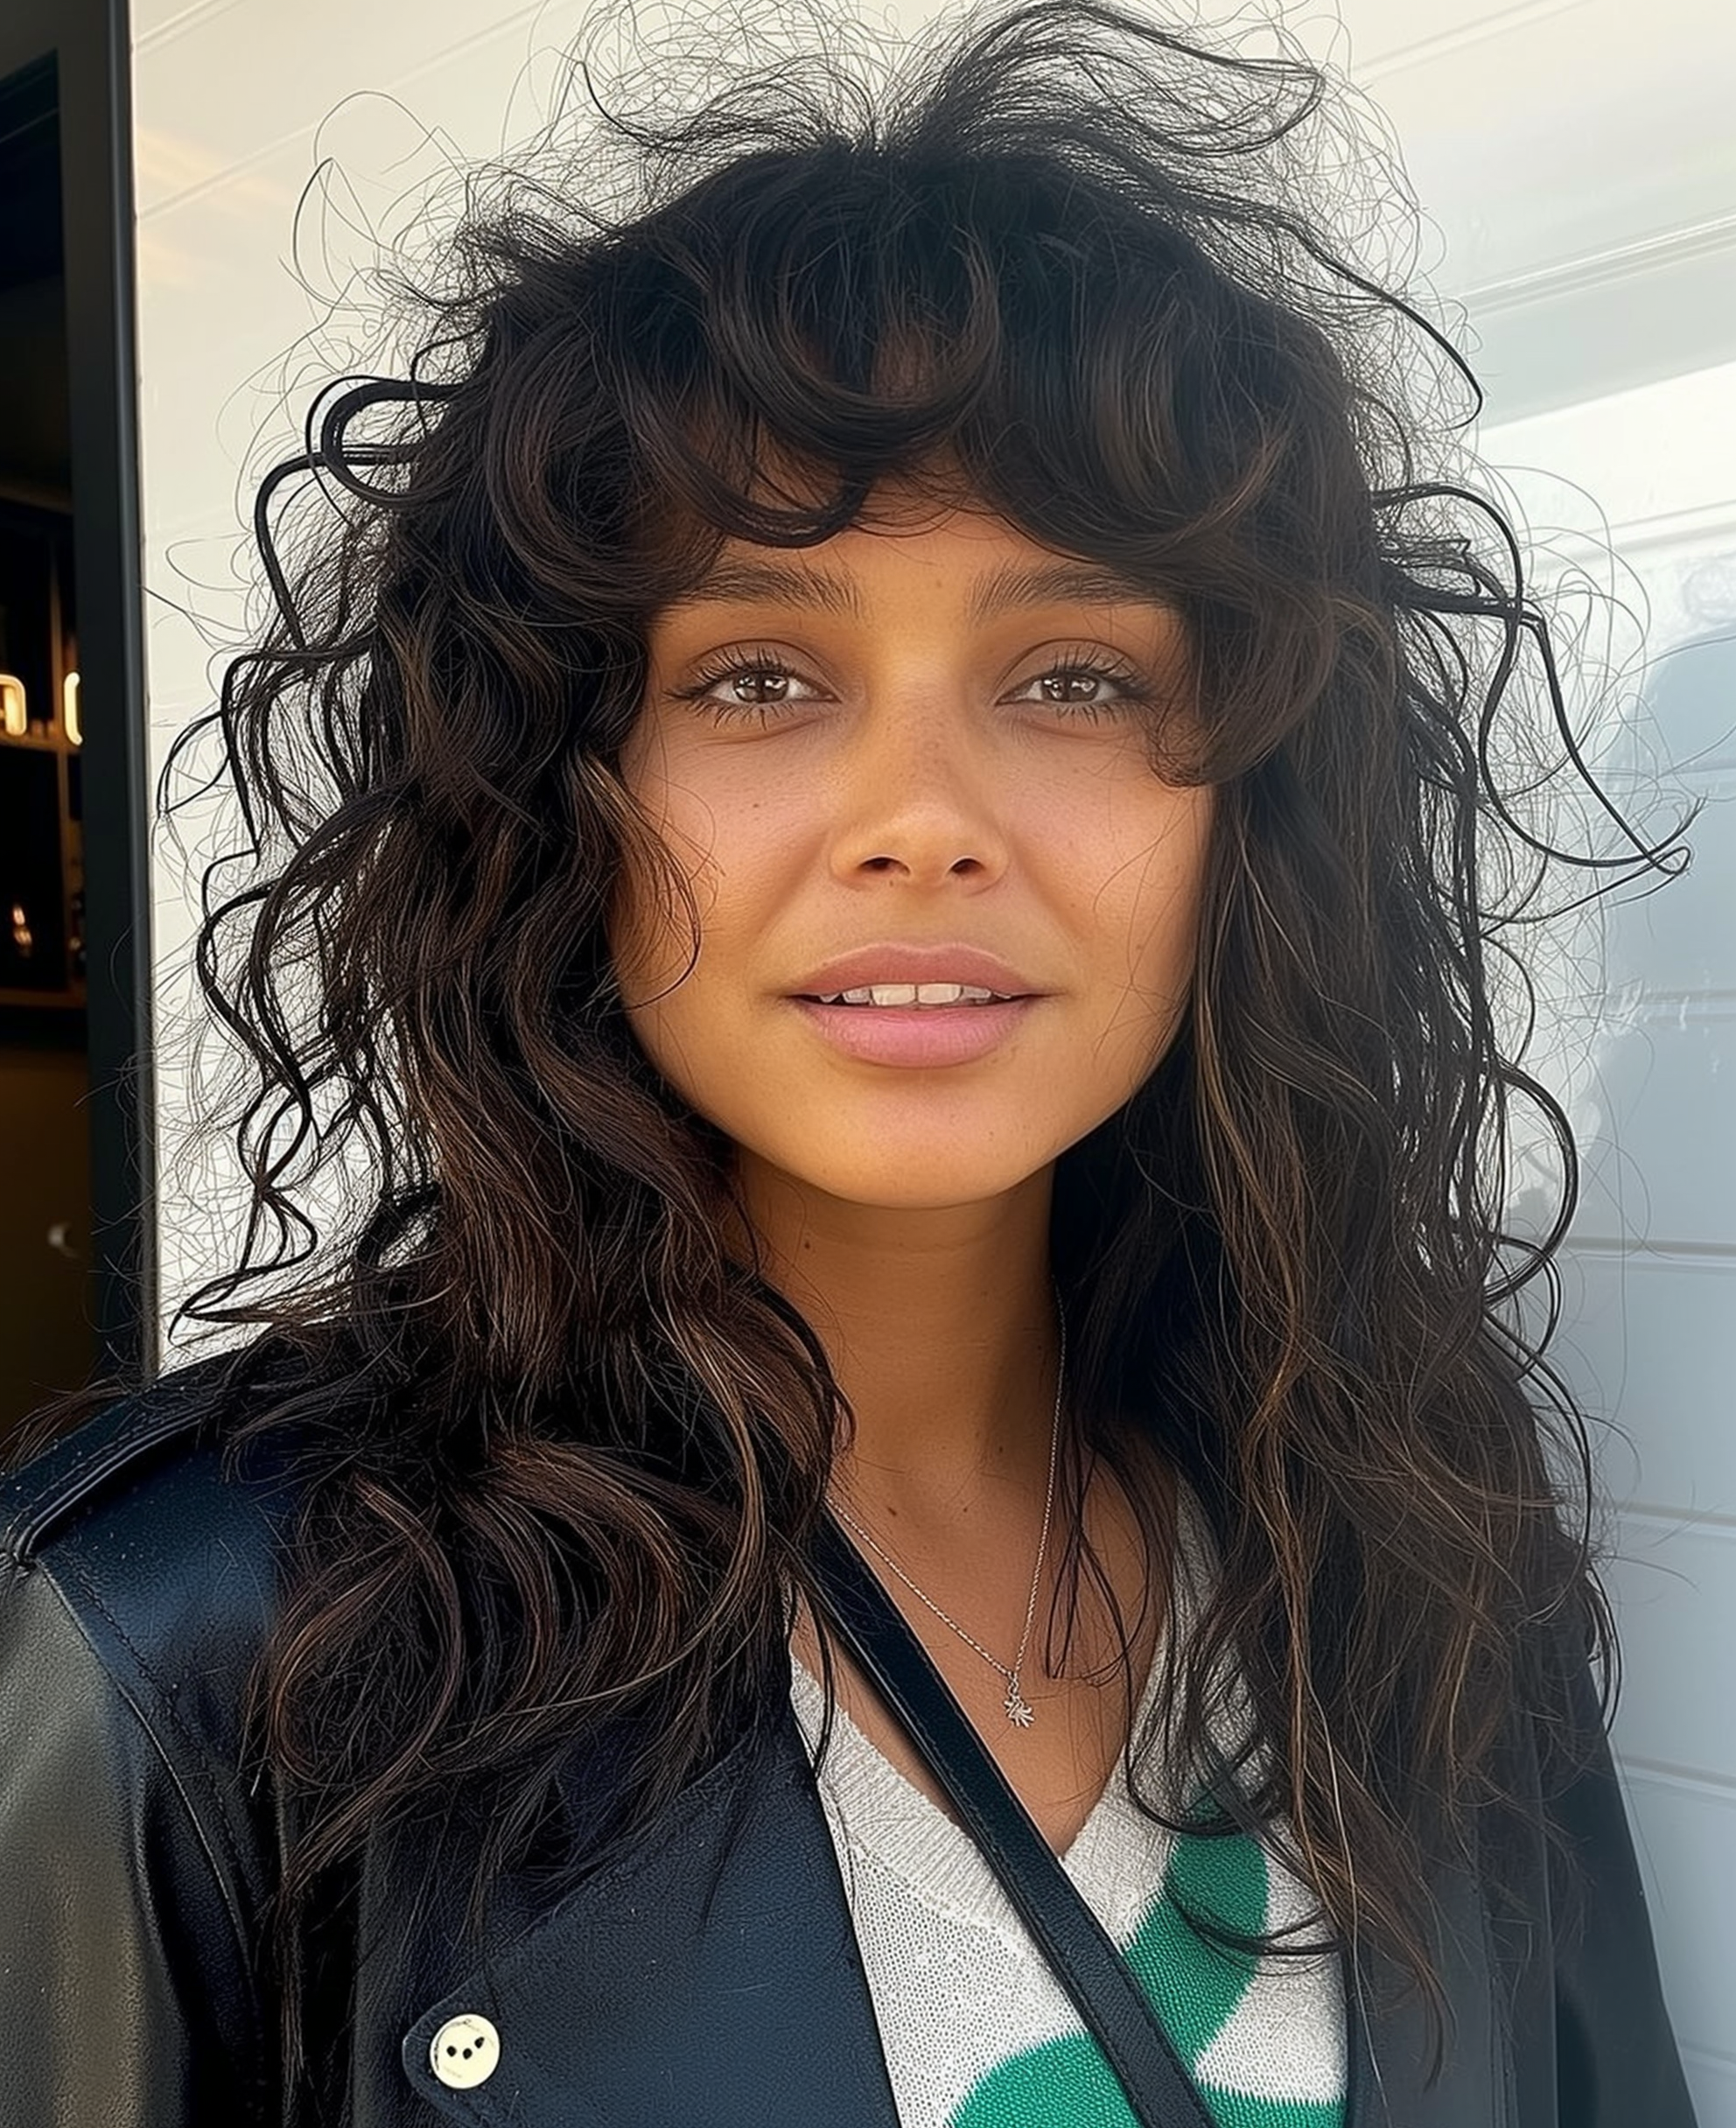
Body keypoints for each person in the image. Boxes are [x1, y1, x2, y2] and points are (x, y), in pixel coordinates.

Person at [0, 3, 1698, 2122]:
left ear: (1245, 809)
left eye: (1072, 672)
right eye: (759, 672)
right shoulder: (196, 1647)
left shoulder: (1396, 1504)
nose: (920, 813)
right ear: (559, 789)